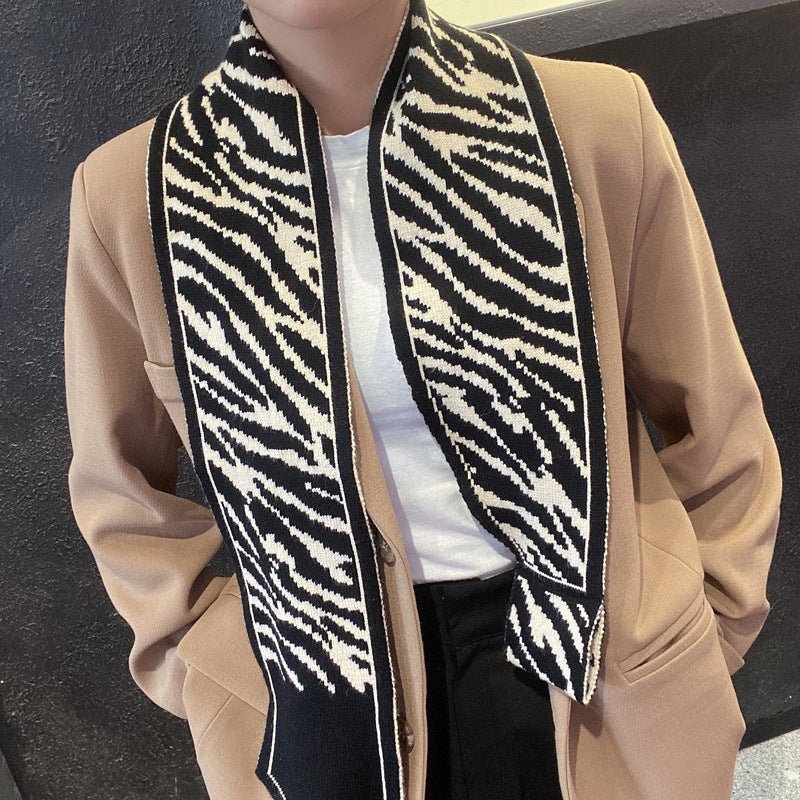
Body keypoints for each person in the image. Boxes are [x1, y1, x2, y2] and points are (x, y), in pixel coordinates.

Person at [64, 0, 781, 798]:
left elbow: (717, 422)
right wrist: (211, 672)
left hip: (597, 675)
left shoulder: (594, 123)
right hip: (318, 709)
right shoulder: (134, 196)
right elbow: (119, 492)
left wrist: (708, 627)